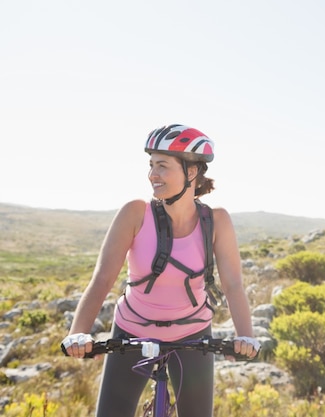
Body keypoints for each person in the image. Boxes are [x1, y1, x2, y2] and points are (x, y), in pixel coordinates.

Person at [62, 124, 260, 417]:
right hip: (132, 332)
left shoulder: (216, 220)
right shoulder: (135, 213)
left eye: (163, 165)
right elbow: (103, 278)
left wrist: (246, 337)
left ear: (192, 172)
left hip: (193, 336)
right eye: (151, 164)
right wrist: (78, 334)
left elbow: (233, 284)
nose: (152, 174)